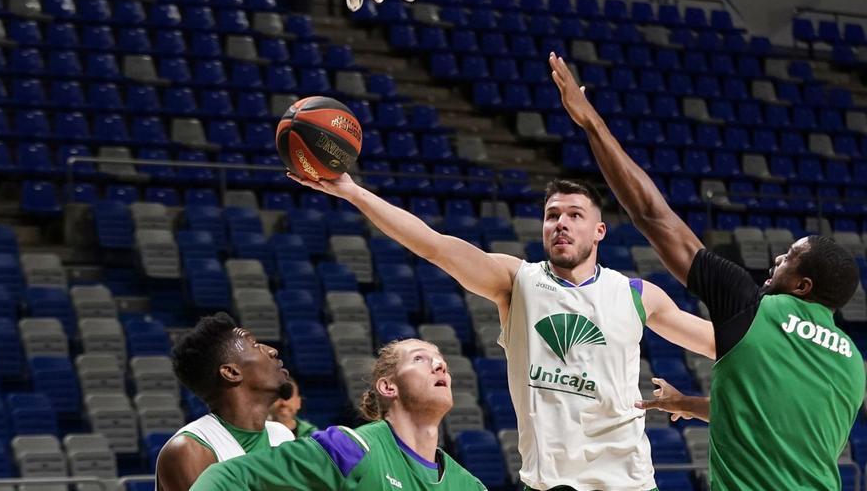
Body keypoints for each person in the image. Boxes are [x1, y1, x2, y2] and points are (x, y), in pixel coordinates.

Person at [286, 163, 715, 490]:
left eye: (574, 215)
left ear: (599, 230)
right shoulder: (519, 281)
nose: (560, 223)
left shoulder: (636, 294)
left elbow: (725, 346)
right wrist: (353, 192)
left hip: (629, 483)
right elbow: (434, 246)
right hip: (547, 484)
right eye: (552, 215)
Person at [548, 51, 866, 490]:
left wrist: (592, 125)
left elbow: (651, 215)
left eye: (789, 258)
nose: (776, 260)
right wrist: (690, 404)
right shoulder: (851, 361)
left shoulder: (753, 309)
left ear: (803, 284)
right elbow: (771, 417)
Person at [191, 339, 488, 490]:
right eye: (420, 359)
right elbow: (225, 475)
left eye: (441, 361)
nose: (439, 366)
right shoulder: (349, 450)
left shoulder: (468, 485)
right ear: (388, 386)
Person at [155, 312, 295, 491]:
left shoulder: (282, 435)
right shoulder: (190, 449)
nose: (272, 350)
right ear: (231, 372)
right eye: (254, 345)